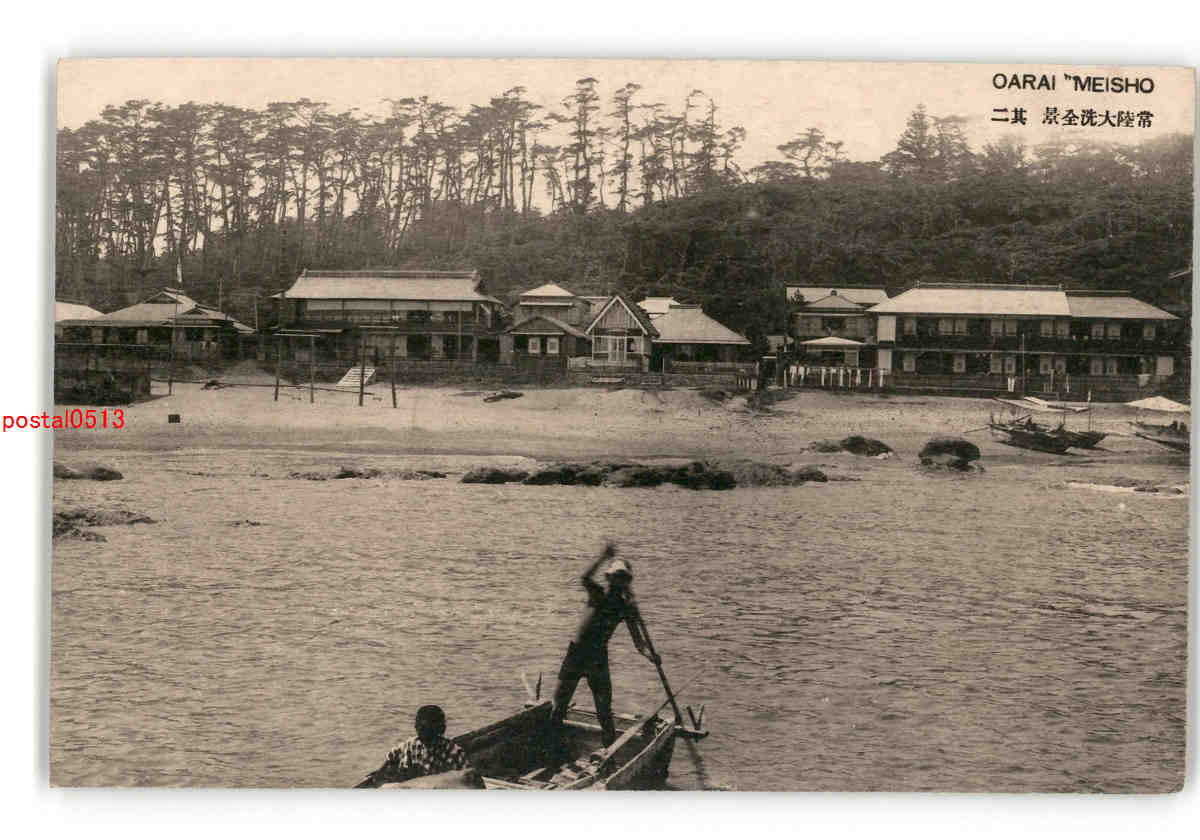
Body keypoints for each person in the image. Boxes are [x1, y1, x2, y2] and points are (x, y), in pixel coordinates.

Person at [550, 543, 660, 748]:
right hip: (576, 654)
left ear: (626, 582)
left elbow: (639, 642)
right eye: (614, 576)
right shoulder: (597, 593)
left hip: (597, 658)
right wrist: (602, 557)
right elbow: (584, 578)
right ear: (608, 577)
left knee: (604, 711)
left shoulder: (626, 608)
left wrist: (650, 655)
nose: (616, 581)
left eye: (622, 578)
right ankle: (552, 749)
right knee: (559, 706)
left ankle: (608, 752)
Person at [363, 705, 470, 786]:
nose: (416, 727)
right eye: (417, 724)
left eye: (422, 726)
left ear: (438, 729)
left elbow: (466, 778)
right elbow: (391, 758)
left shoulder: (454, 753)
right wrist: (379, 774)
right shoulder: (410, 745)